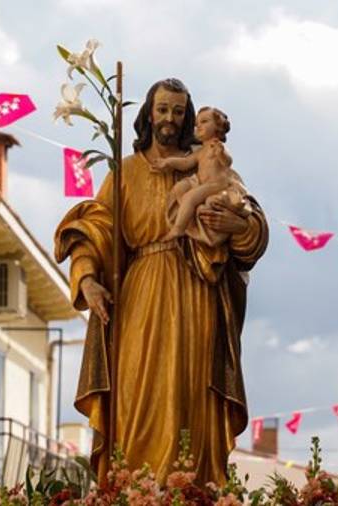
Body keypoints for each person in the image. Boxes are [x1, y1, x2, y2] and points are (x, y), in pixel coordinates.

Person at [54, 78, 269, 485]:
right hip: (141, 296)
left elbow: (250, 219)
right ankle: (135, 490)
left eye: (178, 110)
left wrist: (237, 223)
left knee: (191, 400)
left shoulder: (207, 161)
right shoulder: (127, 171)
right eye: (162, 109)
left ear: (188, 117)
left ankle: (192, 488)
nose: (169, 118)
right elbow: (97, 228)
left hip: (198, 294)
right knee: (136, 400)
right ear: (148, 114)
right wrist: (87, 280)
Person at [153, 106, 252, 246]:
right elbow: (186, 163)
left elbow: (228, 162)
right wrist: (168, 162)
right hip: (201, 182)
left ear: (218, 127)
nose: (198, 126)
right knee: (180, 188)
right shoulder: (201, 151)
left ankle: (178, 228)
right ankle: (191, 216)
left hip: (216, 184)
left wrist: (221, 154)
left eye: (204, 121)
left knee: (189, 197)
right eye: (196, 124)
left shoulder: (218, 146)